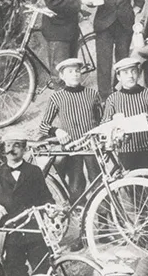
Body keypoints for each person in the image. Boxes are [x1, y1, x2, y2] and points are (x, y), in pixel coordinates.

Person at [0, 137, 55, 276]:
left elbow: (46, 197)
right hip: (10, 234)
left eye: (17, 146)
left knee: (43, 273)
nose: (12, 149)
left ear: (24, 149)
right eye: (8, 145)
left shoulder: (34, 171)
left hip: (34, 231)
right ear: (3, 150)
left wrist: (51, 209)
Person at [37, 57, 102, 200]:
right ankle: (80, 216)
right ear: (62, 76)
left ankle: (104, 218)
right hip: (71, 148)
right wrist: (57, 131)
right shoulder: (57, 97)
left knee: (98, 182)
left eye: (77, 71)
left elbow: (101, 120)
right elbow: (43, 126)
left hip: (92, 146)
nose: (75, 74)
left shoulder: (92, 94)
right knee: (75, 185)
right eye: (70, 71)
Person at [91, 0, 141, 94]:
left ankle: (118, 93)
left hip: (124, 25)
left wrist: (136, 9)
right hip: (104, 24)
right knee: (104, 63)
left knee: (122, 61)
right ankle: (105, 97)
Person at [100, 55, 148, 173]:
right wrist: (114, 128)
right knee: (132, 188)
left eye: (133, 71)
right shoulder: (113, 99)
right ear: (118, 77)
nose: (130, 75)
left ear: (139, 73)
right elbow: (104, 126)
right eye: (125, 72)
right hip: (126, 153)